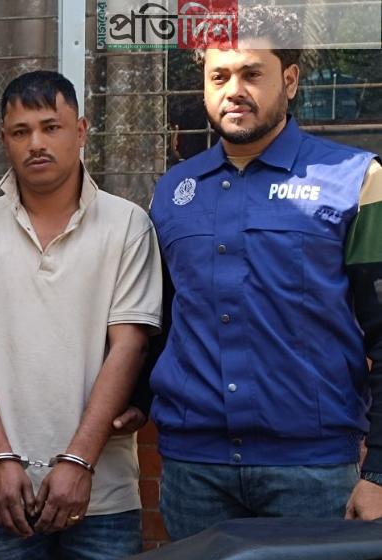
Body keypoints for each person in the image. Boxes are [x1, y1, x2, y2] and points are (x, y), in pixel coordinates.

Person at [148, 10, 382, 540]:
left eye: (252, 73)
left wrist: (379, 473)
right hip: (193, 470)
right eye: (219, 76)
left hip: (313, 472)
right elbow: (161, 320)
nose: (234, 90)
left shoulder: (355, 181)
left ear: (290, 80)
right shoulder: (173, 192)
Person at [0, 70, 163, 559]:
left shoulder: (127, 224)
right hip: (1, 486)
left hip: (103, 489)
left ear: (81, 131)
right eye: (21, 132)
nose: (36, 144)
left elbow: (129, 345)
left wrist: (79, 462)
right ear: (4, 139)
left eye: (51, 127)